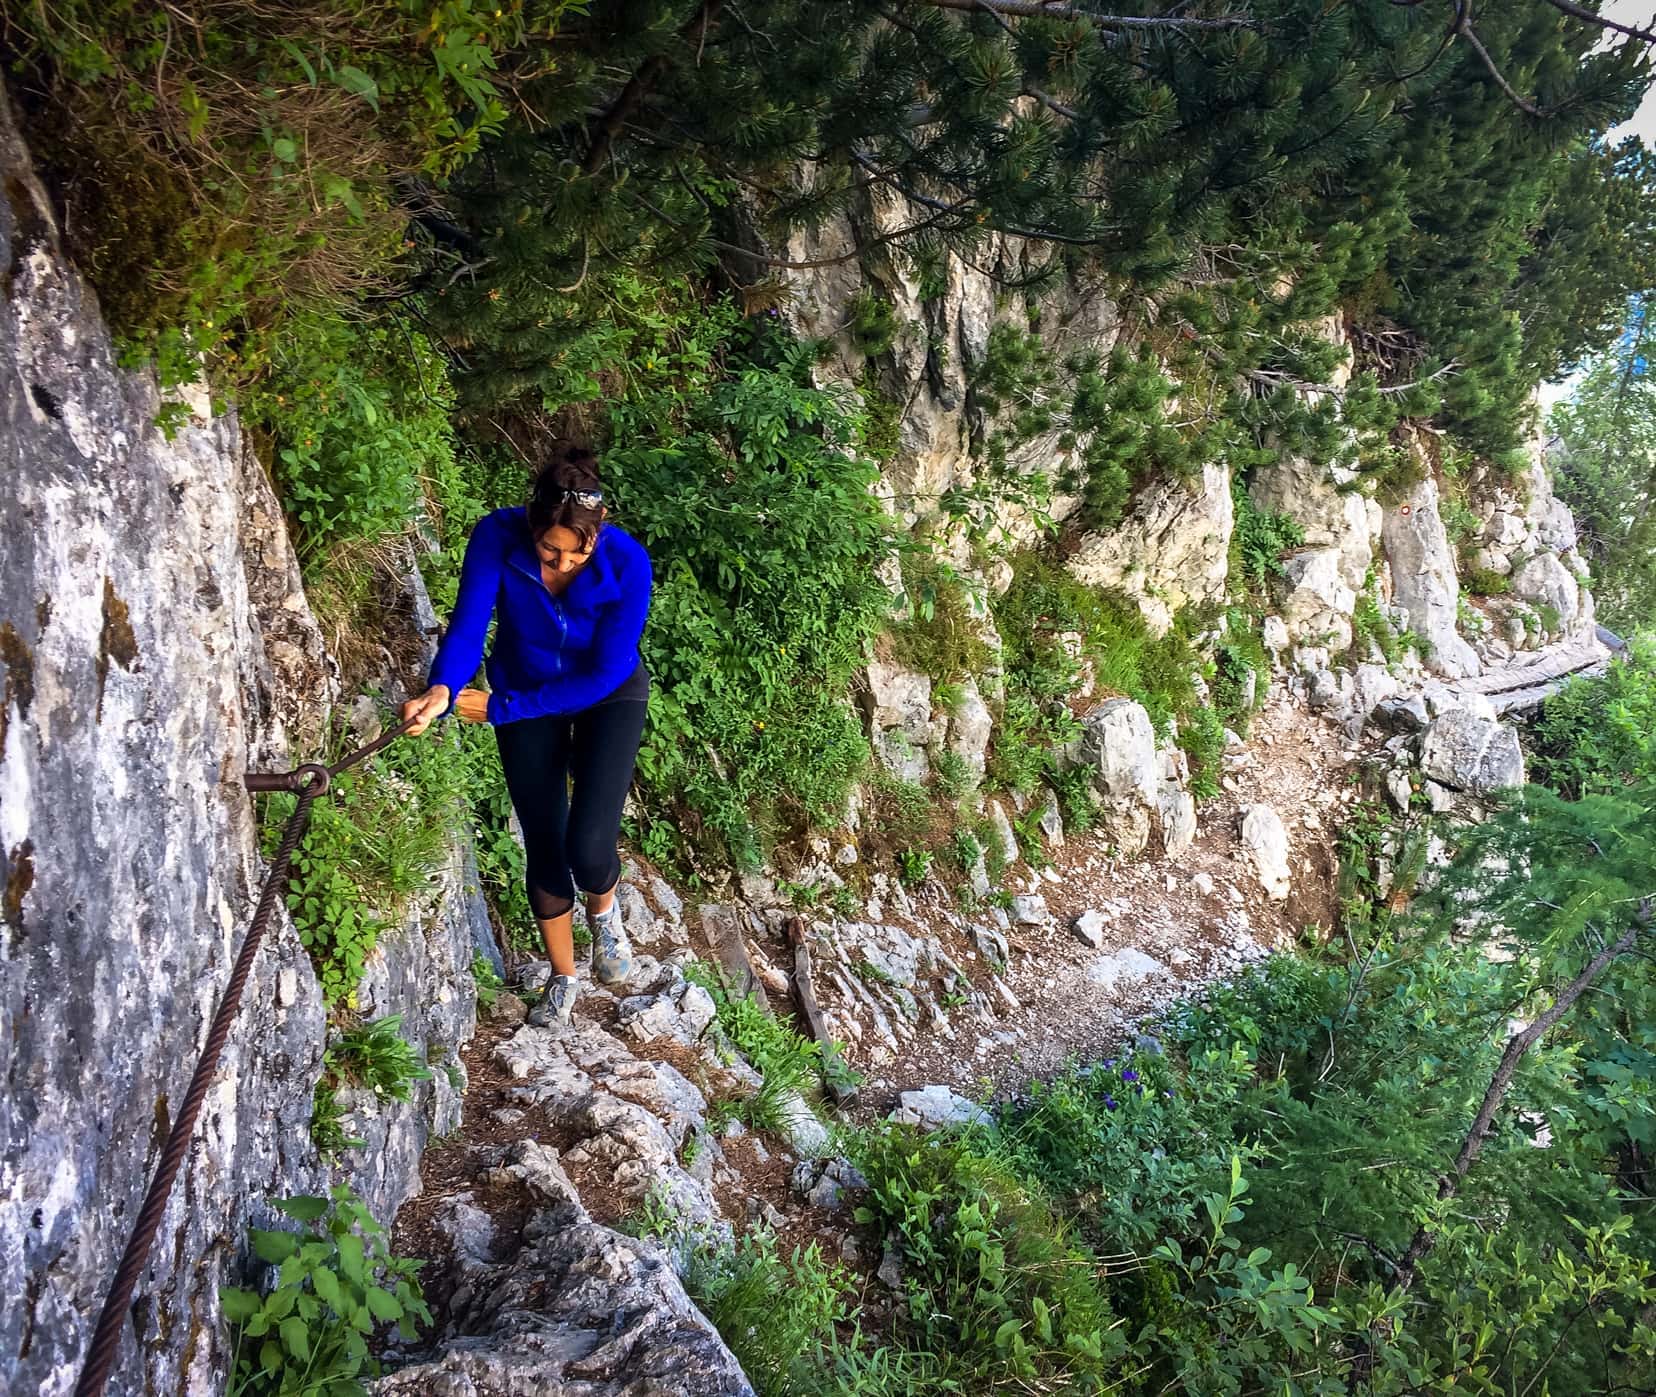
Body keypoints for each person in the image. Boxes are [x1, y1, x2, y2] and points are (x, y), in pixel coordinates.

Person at [401, 442, 652, 1028]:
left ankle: (606, 915)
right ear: (533, 525)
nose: (563, 565)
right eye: (549, 551)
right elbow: (468, 626)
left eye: (577, 555)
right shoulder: (497, 536)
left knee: (589, 847)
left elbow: (607, 670)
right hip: (520, 691)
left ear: (599, 532)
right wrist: (442, 690)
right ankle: (563, 978)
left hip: (605, 694)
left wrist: (504, 707)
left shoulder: (628, 562)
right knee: (544, 838)